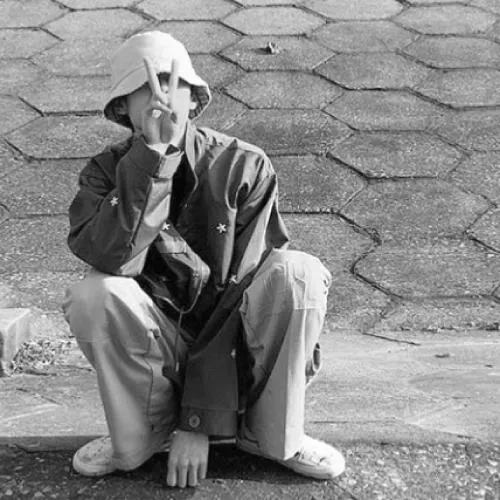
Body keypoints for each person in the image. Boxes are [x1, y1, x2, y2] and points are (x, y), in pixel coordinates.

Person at [62, 30, 345, 489]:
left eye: (172, 84)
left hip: (239, 344)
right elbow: (114, 259)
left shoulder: (244, 165)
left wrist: (197, 422)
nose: (160, 99)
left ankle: (275, 435)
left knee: (298, 274)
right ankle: (142, 435)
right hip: (161, 346)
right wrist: (152, 160)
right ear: (123, 109)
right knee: (95, 294)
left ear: (195, 98)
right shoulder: (103, 173)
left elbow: (242, 290)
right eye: (143, 89)